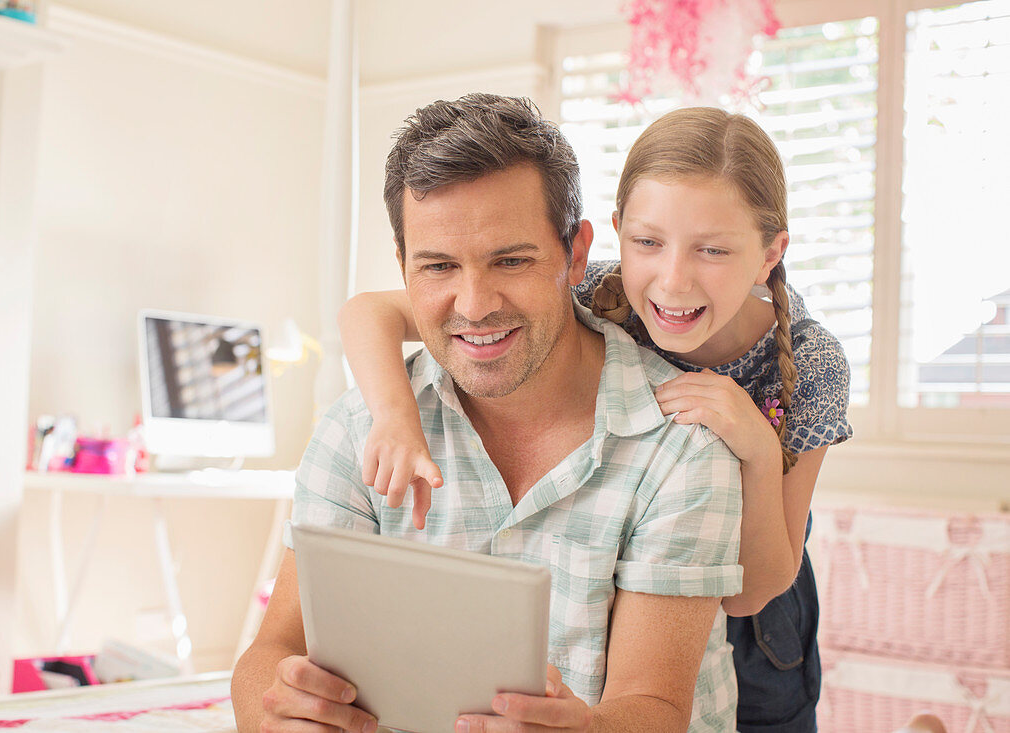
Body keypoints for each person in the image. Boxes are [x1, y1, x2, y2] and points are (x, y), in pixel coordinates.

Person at [231, 93, 744, 733]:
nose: (473, 305)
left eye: (511, 260)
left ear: (575, 253)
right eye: (439, 266)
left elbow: (656, 709)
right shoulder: (358, 426)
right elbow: (269, 652)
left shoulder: (681, 447)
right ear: (403, 267)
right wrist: (275, 710)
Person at [338, 106, 852, 732]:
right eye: (647, 242)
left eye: (712, 249)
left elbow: (754, 589)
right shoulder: (591, 291)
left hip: (762, 610)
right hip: (645, 585)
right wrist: (394, 416)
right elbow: (370, 312)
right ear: (612, 234)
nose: (672, 281)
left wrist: (758, 450)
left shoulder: (814, 361)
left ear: (772, 252)